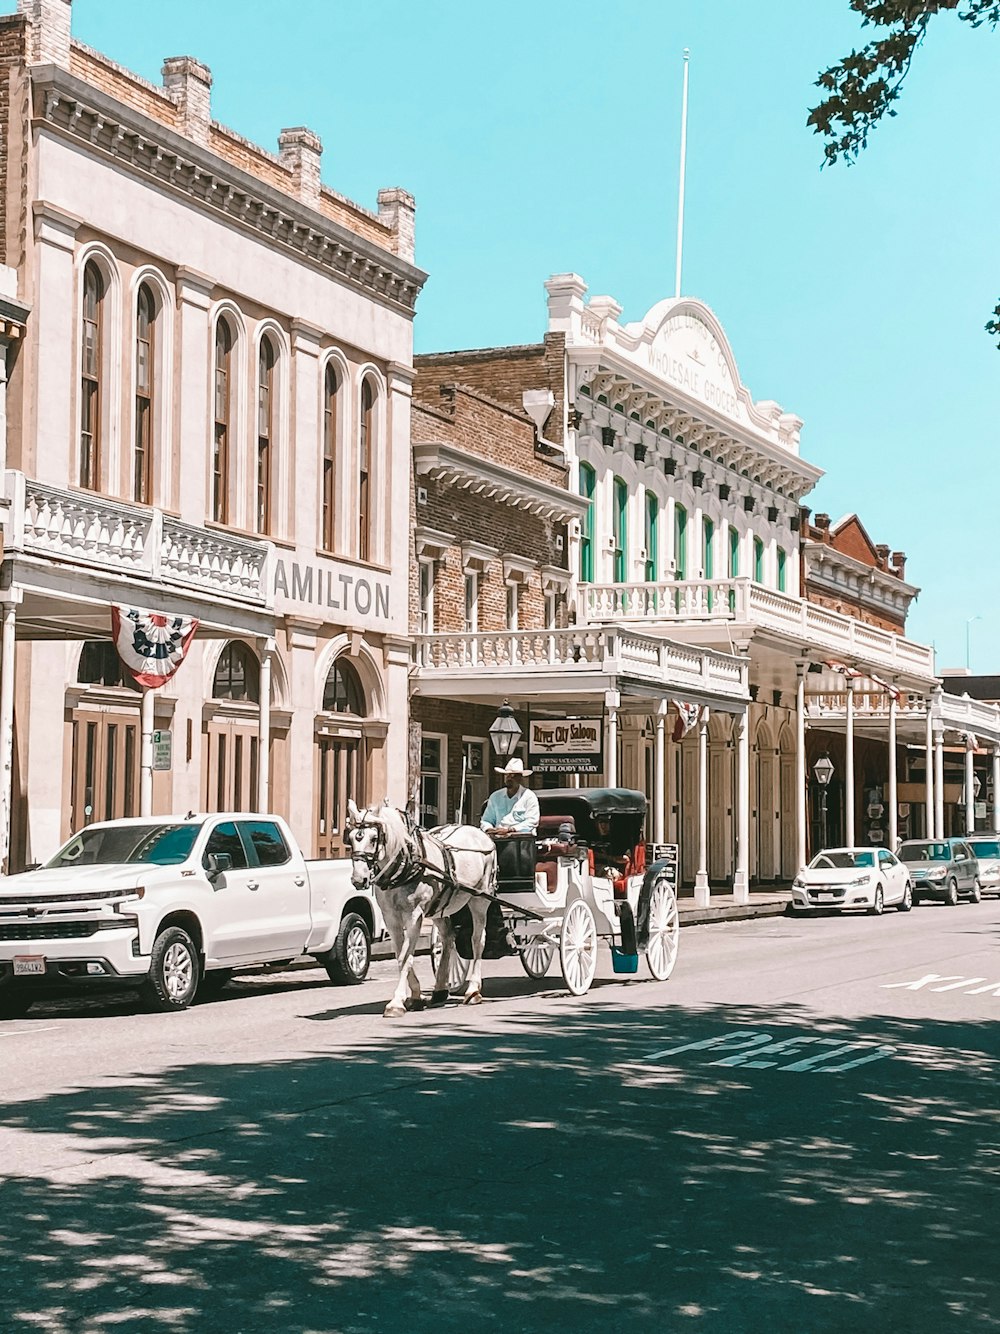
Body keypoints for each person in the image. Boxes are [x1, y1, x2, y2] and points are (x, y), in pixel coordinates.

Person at [480, 757, 539, 837]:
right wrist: (489, 829)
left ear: (520, 778)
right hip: (498, 838)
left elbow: (532, 821)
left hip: (521, 840)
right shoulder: (495, 796)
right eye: (507, 775)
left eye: (514, 776)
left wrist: (510, 830)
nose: (509, 778)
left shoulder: (529, 796)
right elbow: (486, 820)